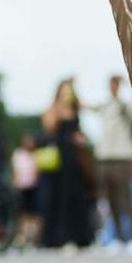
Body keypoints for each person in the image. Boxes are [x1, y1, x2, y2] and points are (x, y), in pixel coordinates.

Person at [86, 75, 132, 247]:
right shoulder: (105, 106)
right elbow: (86, 106)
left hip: (123, 156)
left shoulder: (125, 105)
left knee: (126, 197)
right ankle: (118, 238)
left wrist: (125, 87)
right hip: (105, 156)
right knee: (110, 199)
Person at [39, 79, 97, 249]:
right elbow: (48, 128)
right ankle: (58, 237)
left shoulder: (74, 110)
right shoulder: (53, 110)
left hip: (74, 158)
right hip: (58, 159)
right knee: (58, 196)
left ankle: (80, 236)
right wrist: (59, 111)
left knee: (76, 196)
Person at [9, 135, 40, 248]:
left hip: (33, 187)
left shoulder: (36, 154)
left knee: (35, 213)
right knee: (21, 213)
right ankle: (22, 236)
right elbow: (15, 170)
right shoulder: (18, 154)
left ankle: (35, 236)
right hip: (21, 187)